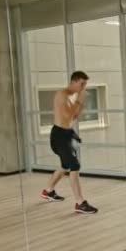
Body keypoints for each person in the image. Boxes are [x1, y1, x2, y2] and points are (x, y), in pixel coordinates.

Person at [40, 71, 98, 214]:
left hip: (66, 134)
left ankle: (48, 191)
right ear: (73, 82)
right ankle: (80, 203)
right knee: (74, 165)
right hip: (59, 135)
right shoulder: (62, 95)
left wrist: (80, 102)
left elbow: (74, 117)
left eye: (85, 84)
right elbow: (68, 115)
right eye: (82, 84)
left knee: (66, 165)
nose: (83, 87)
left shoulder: (73, 96)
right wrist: (80, 99)